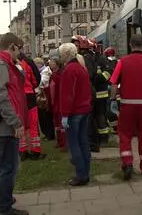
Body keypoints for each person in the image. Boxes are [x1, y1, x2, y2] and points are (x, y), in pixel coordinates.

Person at [109, 34, 142, 180]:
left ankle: (127, 163)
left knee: (125, 134)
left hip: (127, 105)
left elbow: (114, 83)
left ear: (130, 44)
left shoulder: (122, 62)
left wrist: (113, 99)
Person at [0, 33, 29, 215]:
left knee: (1, 165)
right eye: (19, 48)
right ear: (12, 46)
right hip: (6, 127)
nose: (20, 53)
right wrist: (15, 122)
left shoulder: (6, 65)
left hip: (3, 126)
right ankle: (4, 207)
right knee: (8, 167)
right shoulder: (2, 66)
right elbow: (1, 97)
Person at [58, 43, 92, 186]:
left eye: (60, 54)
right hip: (84, 110)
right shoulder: (81, 68)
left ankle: (81, 175)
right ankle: (86, 172)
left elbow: (67, 95)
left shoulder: (69, 70)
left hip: (74, 112)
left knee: (74, 144)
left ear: (65, 55)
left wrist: (64, 114)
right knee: (83, 142)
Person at [18, 43, 46, 160]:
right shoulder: (28, 62)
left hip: (17, 96)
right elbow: (37, 79)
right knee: (33, 124)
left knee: (20, 124)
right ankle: (35, 151)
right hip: (29, 95)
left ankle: (22, 151)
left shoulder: (8, 62)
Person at [48, 56, 66, 150]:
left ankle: (63, 142)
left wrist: (51, 100)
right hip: (59, 100)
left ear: (57, 63)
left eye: (52, 61)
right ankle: (60, 141)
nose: (50, 63)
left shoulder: (55, 75)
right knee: (58, 122)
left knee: (59, 121)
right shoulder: (57, 74)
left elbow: (52, 90)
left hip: (58, 101)